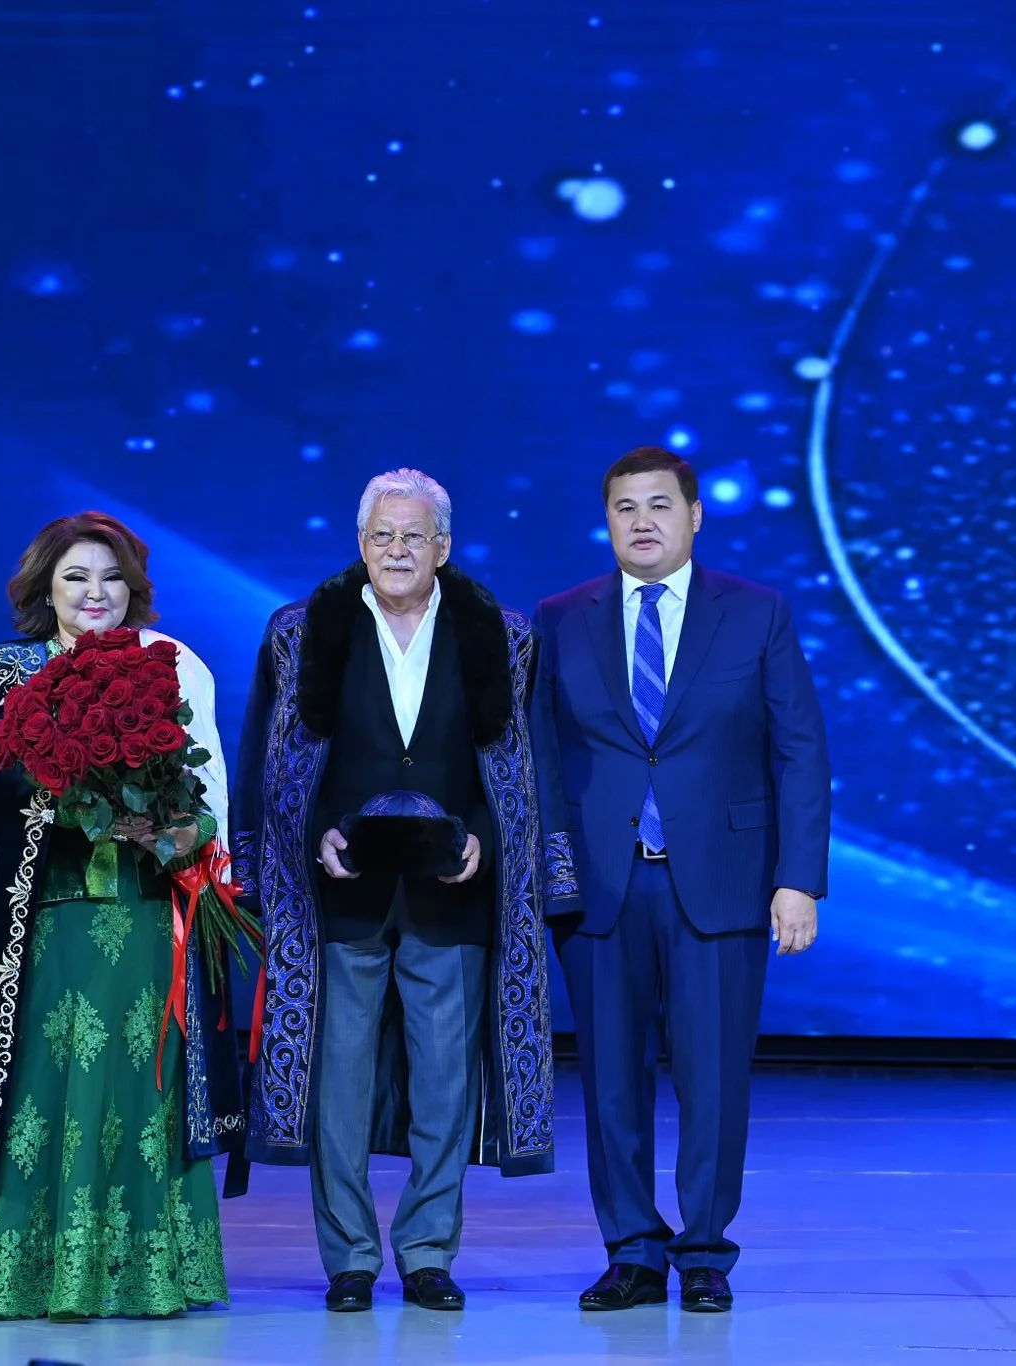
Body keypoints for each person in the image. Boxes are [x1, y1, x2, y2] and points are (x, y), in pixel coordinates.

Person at [232, 469, 576, 1313]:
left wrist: (485, 840)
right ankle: (350, 1258)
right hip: (340, 894)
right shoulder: (300, 631)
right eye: (382, 535)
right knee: (339, 1087)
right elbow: (268, 760)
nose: (396, 551)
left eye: (413, 536)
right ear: (361, 543)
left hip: (450, 891)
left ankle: (427, 1253)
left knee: (445, 1087)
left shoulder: (501, 634)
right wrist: (315, 833)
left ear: (442, 547)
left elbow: (523, 764)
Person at [0, 511, 247, 1320]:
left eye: (112, 578)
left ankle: (144, 1272)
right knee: (42, 1087)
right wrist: (59, 804)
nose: (96, 593)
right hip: (40, 926)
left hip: (147, 919)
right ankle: (33, 1270)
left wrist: (163, 829)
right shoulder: (6, 670)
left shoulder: (171, 665)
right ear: (45, 589)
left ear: (135, 588)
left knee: (142, 1088)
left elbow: (210, 804)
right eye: (76, 578)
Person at [533, 447, 831, 1314]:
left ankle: (704, 1250)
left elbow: (800, 751)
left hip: (724, 883)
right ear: (607, 520)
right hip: (602, 887)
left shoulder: (757, 612)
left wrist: (798, 879)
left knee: (715, 1078)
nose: (643, 522)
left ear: (694, 516)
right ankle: (632, 1249)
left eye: (660, 505)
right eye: (625, 507)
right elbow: (541, 758)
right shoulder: (560, 618)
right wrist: (553, 875)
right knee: (611, 1083)